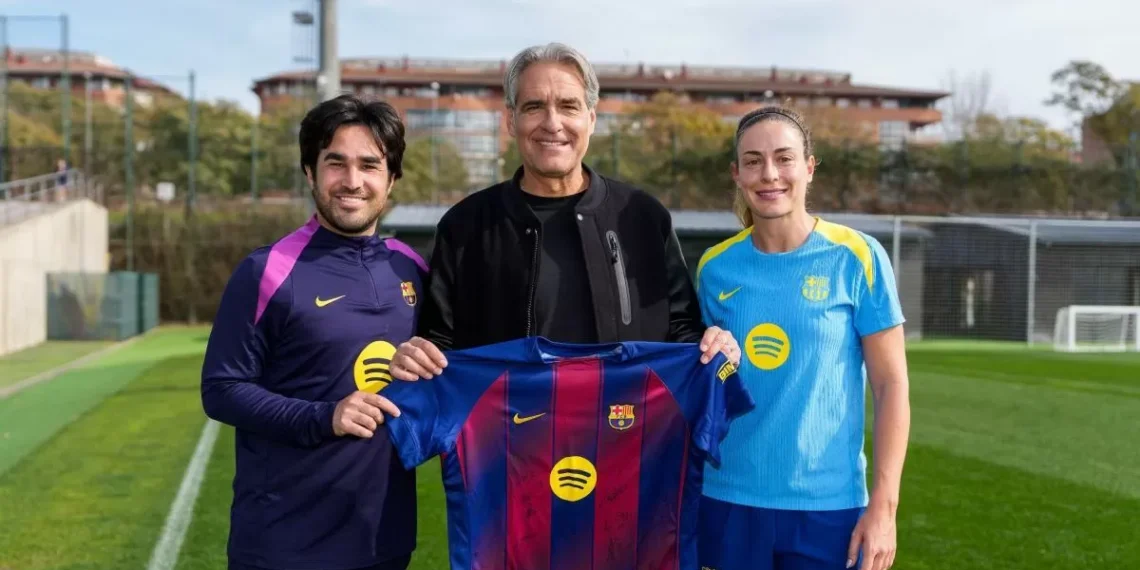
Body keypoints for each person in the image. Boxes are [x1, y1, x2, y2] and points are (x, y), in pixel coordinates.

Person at [389, 42, 739, 381]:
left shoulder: (644, 218)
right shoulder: (464, 227)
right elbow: (440, 348)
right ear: (510, 120)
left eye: (568, 106)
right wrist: (417, 357)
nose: (552, 123)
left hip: (624, 435)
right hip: (508, 438)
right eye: (534, 106)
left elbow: (682, 334)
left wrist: (713, 345)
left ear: (591, 118)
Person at [201, 94, 426, 570]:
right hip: (284, 545)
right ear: (310, 171)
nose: (352, 181)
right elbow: (221, 389)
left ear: (392, 180)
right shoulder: (267, 271)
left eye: (370, 165)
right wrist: (324, 416)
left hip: (383, 541)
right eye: (335, 163)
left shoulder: (412, 268)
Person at [694, 106, 911, 570]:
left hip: (827, 507)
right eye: (753, 161)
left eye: (784, 158)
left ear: (809, 168)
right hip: (728, 497)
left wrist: (884, 508)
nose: (769, 174)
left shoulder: (857, 257)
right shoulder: (714, 268)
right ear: (737, 174)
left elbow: (891, 387)